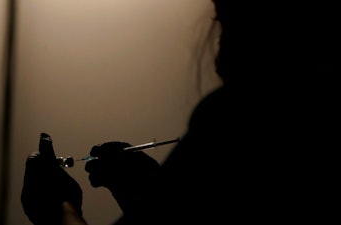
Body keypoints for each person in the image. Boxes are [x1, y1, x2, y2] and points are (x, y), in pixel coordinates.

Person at [21, 1, 339, 224]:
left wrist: (57, 209)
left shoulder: (234, 117)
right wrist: (148, 193)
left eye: (228, 21)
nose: (218, 58)